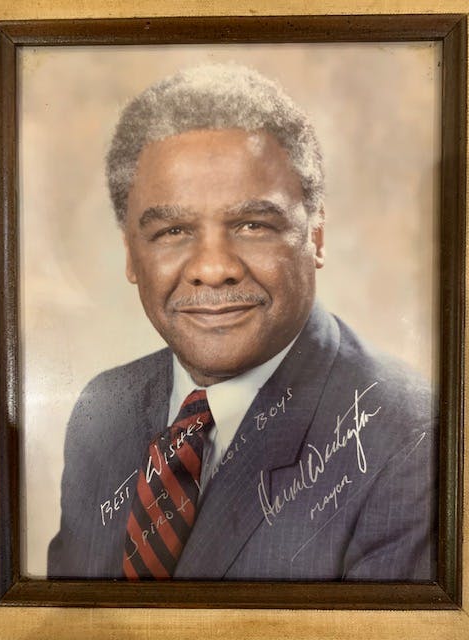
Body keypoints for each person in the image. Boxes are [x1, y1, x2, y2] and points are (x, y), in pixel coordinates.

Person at [48, 63, 437, 581]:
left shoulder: (414, 439)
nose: (214, 269)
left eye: (253, 224)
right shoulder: (104, 408)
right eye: (173, 230)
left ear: (315, 238)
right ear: (130, 255)